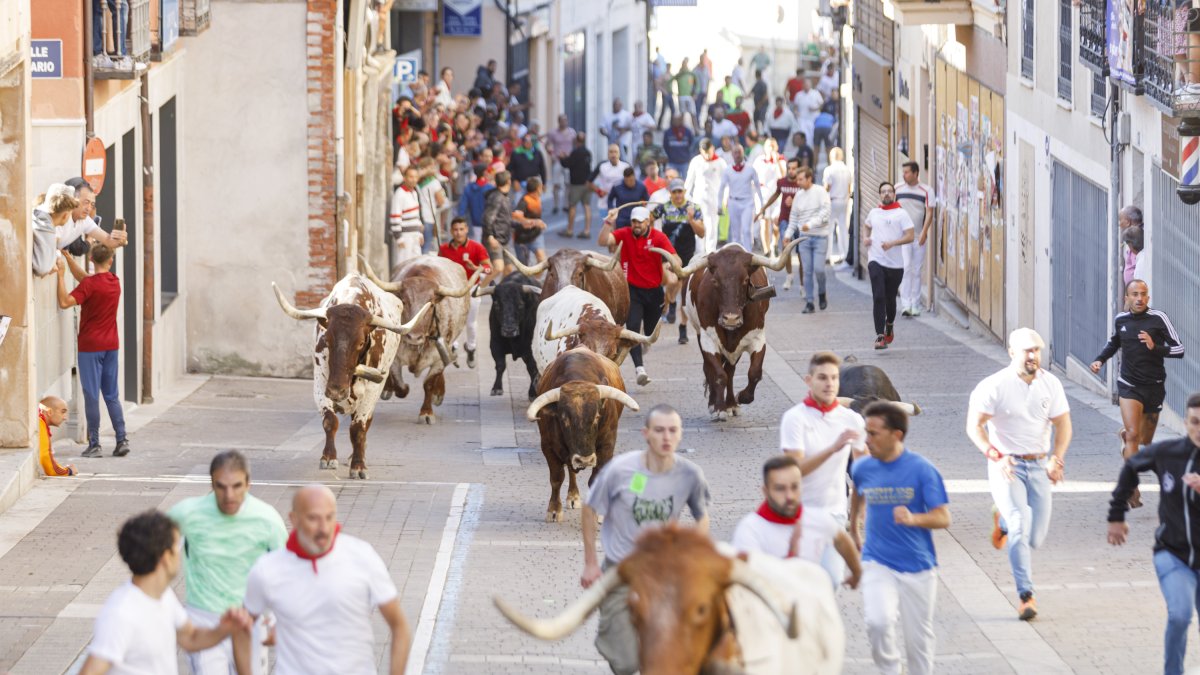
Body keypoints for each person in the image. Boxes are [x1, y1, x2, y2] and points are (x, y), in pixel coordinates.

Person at [581, 404, 711, 675]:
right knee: (626, 662)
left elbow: (702, 517)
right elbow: (589, 507)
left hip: (664, 577)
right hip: (620, 573)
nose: (666, 437)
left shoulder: (689, 474)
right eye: (659, 430)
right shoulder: (621, 470)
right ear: (646, 434)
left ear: (680, 435)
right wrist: (591, 563)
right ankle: (615, 637)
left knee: (663, 660)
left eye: (672, 431)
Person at [237, 485, 411, 675]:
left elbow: (399, 626)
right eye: (313, 518)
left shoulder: (362, 556)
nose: (324, 528)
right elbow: (240, 629)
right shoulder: (267, 569)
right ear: (293, 519)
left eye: (329, 517)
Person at [967, 328, 1072, 621]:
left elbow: (1063, 425)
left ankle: (999, 518)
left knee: (1034, 538)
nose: (1032, 355)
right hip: (1007, 465)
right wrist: (994, 455)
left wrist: (1057, 459)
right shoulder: (994, 385)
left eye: (1036, 350)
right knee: (1019, 527)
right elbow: (974, 426)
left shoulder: (1050, 384)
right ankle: (1026, 595)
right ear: (1012, 352)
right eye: (1027, 350)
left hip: (1038, 465)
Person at [79, 511, 252, 675]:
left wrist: (225, 629)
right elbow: (90, 671)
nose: (180, 554)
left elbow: (190, 638)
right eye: (177, 547)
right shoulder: (122, 612)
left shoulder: (164, 596)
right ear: (165, 557)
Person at [849, 401, 951, 675]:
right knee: (877, 623)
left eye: (873, 433)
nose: (866, 440)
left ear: (897, 435)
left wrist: (914, 519)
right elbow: (857, 494)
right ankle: (890, 670)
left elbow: (943, 518)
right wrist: (854, 529)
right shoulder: (862, 468)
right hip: (877, 562)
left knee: (917, 640)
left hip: (918, 567)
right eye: (865, 432)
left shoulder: (922, 470)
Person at [168, 451, 288, 674]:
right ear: (212, 483)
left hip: (251, 623)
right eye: (221, 486)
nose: (229, 495)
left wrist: (280, 622)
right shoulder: (186, 514)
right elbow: (156, 562)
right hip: (204, 621)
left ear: (249, 484)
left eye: (237, 486)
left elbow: (286, 574)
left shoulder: (267, 519)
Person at [1107, 393, 1200, 675]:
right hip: (1173, 554)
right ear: (1186, 423)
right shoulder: (1168, 453)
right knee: (1180, 615)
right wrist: (1116, 516)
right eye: (1196, 422)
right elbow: (1132, 465)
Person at [1090, 279, 1185, 506]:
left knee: (1145, 439)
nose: (1139, 298)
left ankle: (1126, 439)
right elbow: (1114, 342)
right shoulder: (1120, 320)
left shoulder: (1158, 318)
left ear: (1148, 298)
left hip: (1154, 386)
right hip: (1129, 385)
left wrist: (1156, 347)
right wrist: (1100, 360)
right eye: (1134, 294)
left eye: (1143, 294)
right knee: (1134, 434)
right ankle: (1132, 486)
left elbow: (1179, 349)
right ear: (1127, 298)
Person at [779, 351, 867, 580]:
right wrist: (832, 449)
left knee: (832, 580)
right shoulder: (795, 418)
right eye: (822, 378)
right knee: (803, 582)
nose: (829, 384)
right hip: (797, 515)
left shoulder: (852, 420)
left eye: (834, 378)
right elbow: (794, 470)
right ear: (808, 380)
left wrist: (857, 523)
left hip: (834, 515)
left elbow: (865, 473)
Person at [731, 455, 862, 590]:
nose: (789, 496)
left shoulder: (816, 518)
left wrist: (857, 573)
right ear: (765, 491)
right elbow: (745, 580)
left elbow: (840, 539)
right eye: (780, 489)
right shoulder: (750, 529)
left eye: (794, 487)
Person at [56, 244, 129, 458]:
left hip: (90, 347)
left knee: (91, 395)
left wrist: (61, 275)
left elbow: (65, 301)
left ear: (91, 259)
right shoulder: (114, 283)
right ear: (110, 261)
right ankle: (122, 439)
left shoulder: (89, 285)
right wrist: (70, 262)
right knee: (111, 395)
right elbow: (88, 281)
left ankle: (95, 444)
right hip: (111, 345)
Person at [600, 206, 675, 386]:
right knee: (632, 330)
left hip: (654, 291)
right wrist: (609, 221)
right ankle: (639, 369)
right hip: (631, 290)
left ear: (647, 221)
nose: (636, 225)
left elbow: (674, 255)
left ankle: (644, 342)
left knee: (650, 332)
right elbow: (603, 241)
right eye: (634, 221)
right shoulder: (624, 234)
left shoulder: (658, 237)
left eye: (640, 222)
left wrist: (673, 264)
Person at [649, 179, 705, 344]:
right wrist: (652, 232)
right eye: (675, 192)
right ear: (670, 193)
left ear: (684, 192)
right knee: (672, 282)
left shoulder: (694, 208)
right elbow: (648, 219)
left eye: (680, 191)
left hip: (688, 255)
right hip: (669, 254)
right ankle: (671, 303)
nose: (678, 195)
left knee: (684, 293)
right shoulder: (664, 207)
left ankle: (682, 327)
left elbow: (702, 233)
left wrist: (691, 220)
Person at [863, 182, 916, 350]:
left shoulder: (901, 214)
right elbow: (866, 225)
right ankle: (879, 336)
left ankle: (890, 324)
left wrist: (893, 243)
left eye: (889, 191)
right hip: (875, 259)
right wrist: (866, 238)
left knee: (890, 299)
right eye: (883, 191)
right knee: (878, 296)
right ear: (879, 195)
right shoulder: (874, 212)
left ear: (894, 194)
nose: (886, 194)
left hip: (895, 265)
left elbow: (910, 236)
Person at [439, 217, 491, 368]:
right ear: (451, 231)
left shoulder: (477, 247)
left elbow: (489, 269)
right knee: (452, 320)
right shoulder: (443, 249)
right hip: (452, 290)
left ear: (467, 230)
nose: (458, 233)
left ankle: (471, 348)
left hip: (471, 288)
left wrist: (475, 267)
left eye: (461, 229)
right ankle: (453, 347)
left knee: (470, 323)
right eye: (455, 229)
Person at [782, 167, 831, 311]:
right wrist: (787, 235)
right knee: (807, 271)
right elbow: (793, 218)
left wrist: (810, 224)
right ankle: (810, 302)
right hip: (803, 239)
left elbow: (826, 212)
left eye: (801, 179)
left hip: (820, 237)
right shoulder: (798, 196)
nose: (798, 182)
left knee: (819, 269)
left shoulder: (820, 192)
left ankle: (822, 293)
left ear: (809, 178)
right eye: (797, 179)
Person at [895, 162, 934, 317]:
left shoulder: (926, 190)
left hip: (918, 236)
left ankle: (915, 304)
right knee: (905, 268)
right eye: (903, 172)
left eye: (907, 172)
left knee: (917, 270)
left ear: (916, 173)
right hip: (903, 236)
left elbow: (930, 212)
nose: (904, 175)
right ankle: (905, 304)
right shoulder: (897, 189)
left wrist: (924, 232)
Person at [59, 178, 129, 252]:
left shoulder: (85, 221)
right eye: (86, 202)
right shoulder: (59, 216)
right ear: (73, 199)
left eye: (92, 204)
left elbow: (108, 241)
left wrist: (121, 240)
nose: (89, 208)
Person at [684, 138, 727, 254]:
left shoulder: (720, 162)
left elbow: (726, 183)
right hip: (698, 199)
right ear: (700, 150)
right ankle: (700, 253)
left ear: (713, 148)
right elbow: (689, 182)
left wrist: (725, 198)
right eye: (704, 151)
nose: (707, 154)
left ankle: (711, 253)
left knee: (712, 227)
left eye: (708, 151)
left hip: (714, 199)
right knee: (700, 227)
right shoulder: (696, 161)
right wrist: (686, 199)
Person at [717, 144, 762, 252]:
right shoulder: (727, 170)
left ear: (743, 153)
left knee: (747, 230)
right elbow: (721, 188)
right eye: (735, 152)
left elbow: (758, 187)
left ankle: (748, 253)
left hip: (747, 202)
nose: (737, 155)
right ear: (732, 154)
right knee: (735, 232)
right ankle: (737, 254)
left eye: (739, 152)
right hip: (733, 202)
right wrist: (719, 205)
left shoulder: (750, 169)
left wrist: (761, 205)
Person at [32, 185, 78, 276]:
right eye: (70, 213)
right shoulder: (46, 227)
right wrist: (52, 262)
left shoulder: (39, 216)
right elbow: (42, 268)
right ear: (65, 215)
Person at [481, 171, 516, 286]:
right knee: (498, 268)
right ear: (508, 181)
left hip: (504, 238)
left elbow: (505, 219)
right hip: (495, 238)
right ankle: (476, 290)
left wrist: (522, 225)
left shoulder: (505, 196)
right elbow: (488, 217)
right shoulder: (497, 197)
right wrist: (490, 236)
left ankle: (500, 292)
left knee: (509, 269)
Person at [753, 138, 786, 256]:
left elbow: (783, 176)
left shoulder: (781, 160)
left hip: (777, 195)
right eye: (768, 146)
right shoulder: (759, 161)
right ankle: (766, 250)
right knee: (764, 222)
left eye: (773, 146)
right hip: (763, 195)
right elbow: (754, 176)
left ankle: (774, 243)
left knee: (776, 222)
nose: (771, 149)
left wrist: (777, 161)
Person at [823, 147, 854, 267]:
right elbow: (849, 187)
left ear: (831, 157)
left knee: (829, 229)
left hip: (832, 201)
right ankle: (844, 254)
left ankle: (827, 256)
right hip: (844, 201)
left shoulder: (829, 170)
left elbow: (827, 187)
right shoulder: (847, 170)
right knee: (842, 229)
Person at [389, 165, 425, 264]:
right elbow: (395, 217)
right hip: (405, 237)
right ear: (404, 178)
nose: (413, 180)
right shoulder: (400, 194)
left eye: (415, 177)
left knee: (417, 264)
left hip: (415, 236)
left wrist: (420, 234)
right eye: (410, 177)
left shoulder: (414, 193)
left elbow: (417, 216)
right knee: (403, 264)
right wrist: (399, 238)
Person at [563, 133, 595, 239]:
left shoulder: (575, 152)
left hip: (576, 183)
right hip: (587, 182)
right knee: (587, 206)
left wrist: (562, 158)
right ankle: (587, 230)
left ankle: (570, 230)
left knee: (572, 206)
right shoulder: (588, 153)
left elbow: (567, 164)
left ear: (576, 141)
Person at [544, 115, 577, 214]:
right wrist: (551, 154)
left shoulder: (572, 132)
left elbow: (575, 145)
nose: (564, 122)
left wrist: (573, 156)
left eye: (565, 120)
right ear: (558, 121)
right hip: (558, 160)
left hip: (568, 161)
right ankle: (555, 205)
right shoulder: (553, 133)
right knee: (556, 184)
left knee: (568, 183)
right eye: (562, 120)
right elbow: (547, 144)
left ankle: (566, 204)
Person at [589, 144, 631, 221]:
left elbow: (632, 183)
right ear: (607, 154)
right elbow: (588, 182)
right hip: (605, 203)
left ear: (619, 153)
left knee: (619, 228)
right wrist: (598, 191)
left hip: (621, 203)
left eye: (616, 152)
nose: (613, 154)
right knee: (607, 227)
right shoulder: (602, 166)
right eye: (611, 152)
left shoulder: (626, 166)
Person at [37, 396, 76, 477]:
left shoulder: (38, 419)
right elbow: (50, 468)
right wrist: (69, 471)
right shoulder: (40, 423)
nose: (65, 417)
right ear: (49, 412)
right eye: (62, 412)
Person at [512, 177, 548, 265]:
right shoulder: (524, 201)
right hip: (522, 238)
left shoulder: (537, 199)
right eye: (541, 187)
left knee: (542, 260)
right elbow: (516, 217)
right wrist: (535, 222)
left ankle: (534, 279)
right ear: (537, 188)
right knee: (524, 267)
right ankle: (528, 279)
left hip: (535, 235)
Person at [458, 163, 491, 241]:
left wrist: (460, 220)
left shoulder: (469, 187)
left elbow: (462, 206)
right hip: (488, 223)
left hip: (474, 222)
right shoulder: (490, 188)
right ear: (484, 173)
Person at [662, 114, 695, 179]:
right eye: (675, 120)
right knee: (671, 181)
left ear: (681, 120)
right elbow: (665, 146)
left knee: (685, 181)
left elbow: (691, 145)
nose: (676, 121)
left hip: (684, 162)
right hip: (672, 162)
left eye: (678, 120)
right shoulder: (668, 132)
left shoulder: (688, 132)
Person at [673, 59, 699, 130]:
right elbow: (670, 80)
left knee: (693, 114)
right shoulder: (679, 75)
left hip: (690, 97)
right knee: (682, 114)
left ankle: (696, 130)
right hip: (681, 97)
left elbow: (697, 84)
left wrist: (695, 93)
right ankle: (682, 129)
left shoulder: (691, 74)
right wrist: (671, 92)